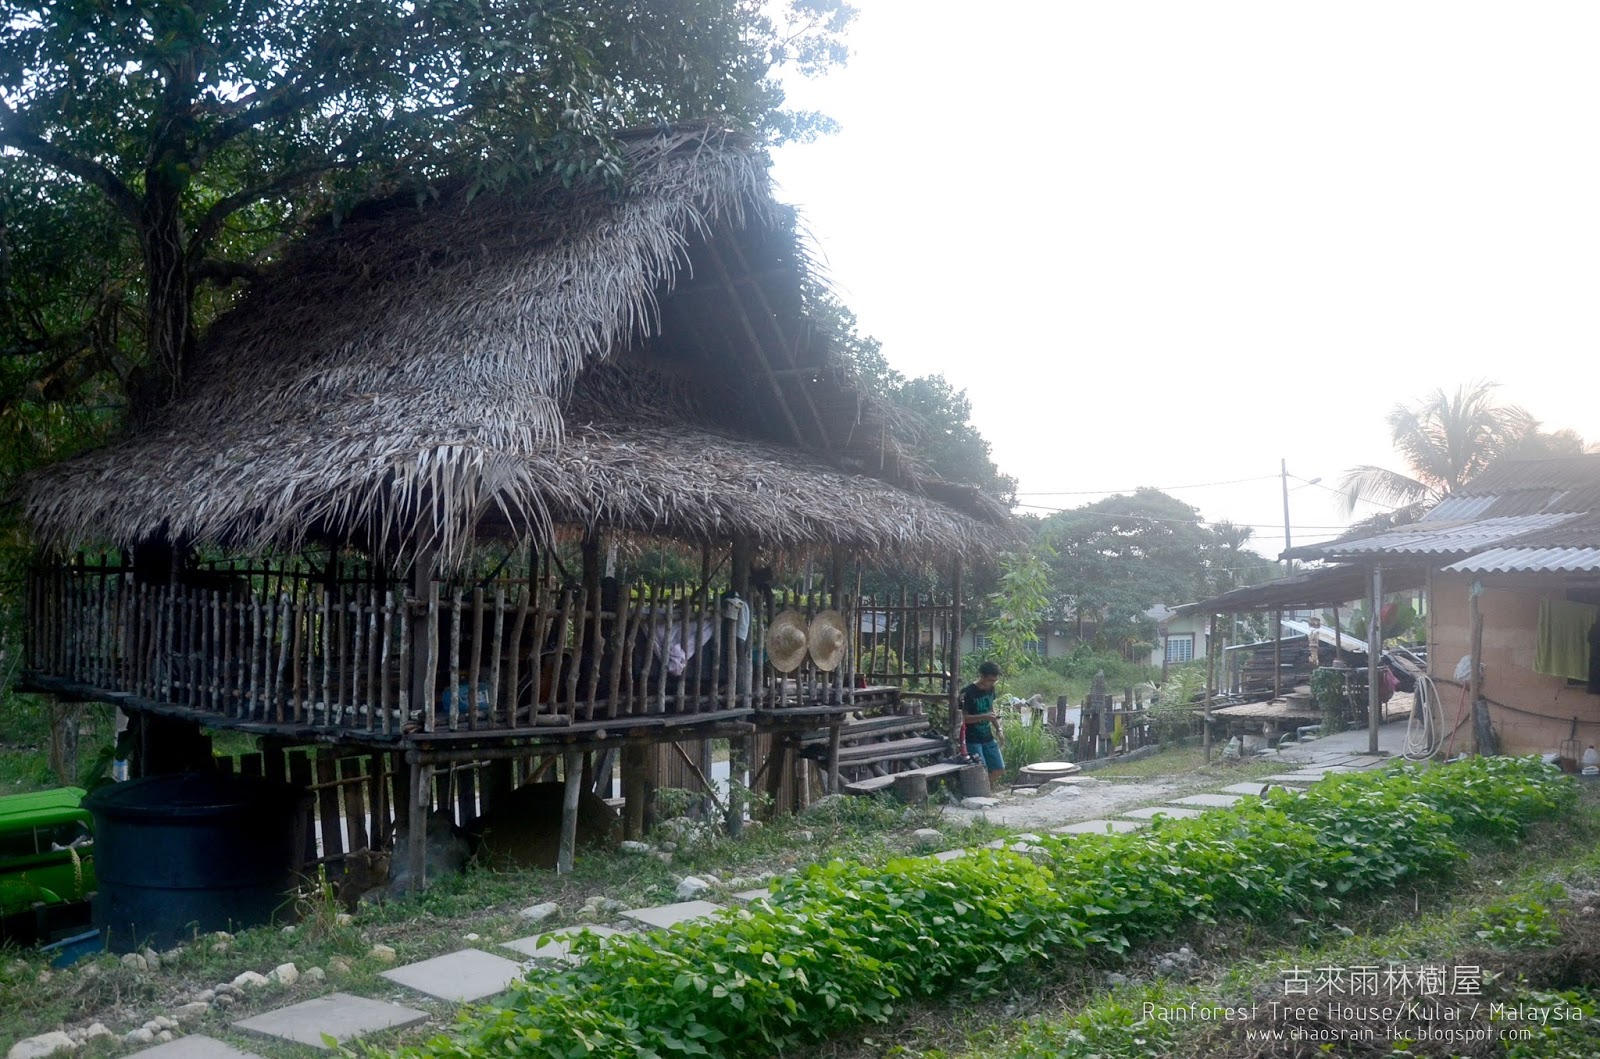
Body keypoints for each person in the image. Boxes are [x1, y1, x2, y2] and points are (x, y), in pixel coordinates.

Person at [959, 661, 1006, 787]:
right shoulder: (968, 692)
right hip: (972, 738)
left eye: (994, 681)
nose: (992, 683)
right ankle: (982, 790)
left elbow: (991, 710)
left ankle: (985, 788)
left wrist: (998, 729)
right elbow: (963, 718)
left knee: (999, 768)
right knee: (981, 769)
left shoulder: (991, 689)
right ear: (982, 676)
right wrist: (983, 716)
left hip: (987, 736)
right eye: (990, 680)